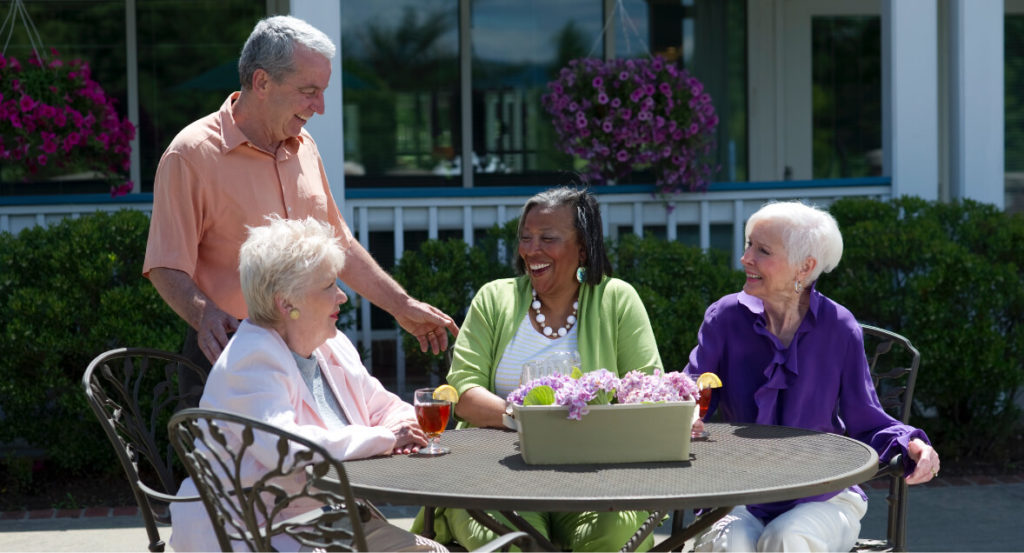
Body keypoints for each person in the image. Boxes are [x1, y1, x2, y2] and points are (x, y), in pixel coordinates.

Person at [143, 15, 457, 401]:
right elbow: (165, 263)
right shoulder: (190, 154)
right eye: (309, 91)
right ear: (262, 82)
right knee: (240, 464)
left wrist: (402, 306)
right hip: (229, 353)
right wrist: (203, 313)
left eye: (322, 91)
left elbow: (338, 243)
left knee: (327, 457)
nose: (320, 106)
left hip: (310, 350)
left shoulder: (305, 146)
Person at [169, 215, 445, 552]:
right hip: (247, 535)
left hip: (312, 520)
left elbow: (382, 405)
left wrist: (402, 427)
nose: (342, 296)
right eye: (329, 285)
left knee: (429, 550)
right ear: (287, 303)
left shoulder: (330, 344)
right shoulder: (251, 359)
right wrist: (386, 439)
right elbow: (287, 449)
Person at [684, 201, 941, 552]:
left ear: (805, 267)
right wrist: (683, 417)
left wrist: (911, 444)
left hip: (823, 496)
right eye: (748, 245)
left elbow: (865, 419)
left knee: (787, 538)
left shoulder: (839, 328)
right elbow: (693, 396)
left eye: (762, 250)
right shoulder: (725, 317)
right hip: (735, 491)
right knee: (734, 544)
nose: (745, 258)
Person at [422, 186, 664, 551]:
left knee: (616, 539)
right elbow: (463, 393)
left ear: (582, 248)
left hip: (593, 480)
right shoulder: (494, 299)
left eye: (548, 238)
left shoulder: (617, 299)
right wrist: (523, 420)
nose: (531, 250)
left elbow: (649, 390)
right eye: (525, 238)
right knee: (514, 543)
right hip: (493, 476)